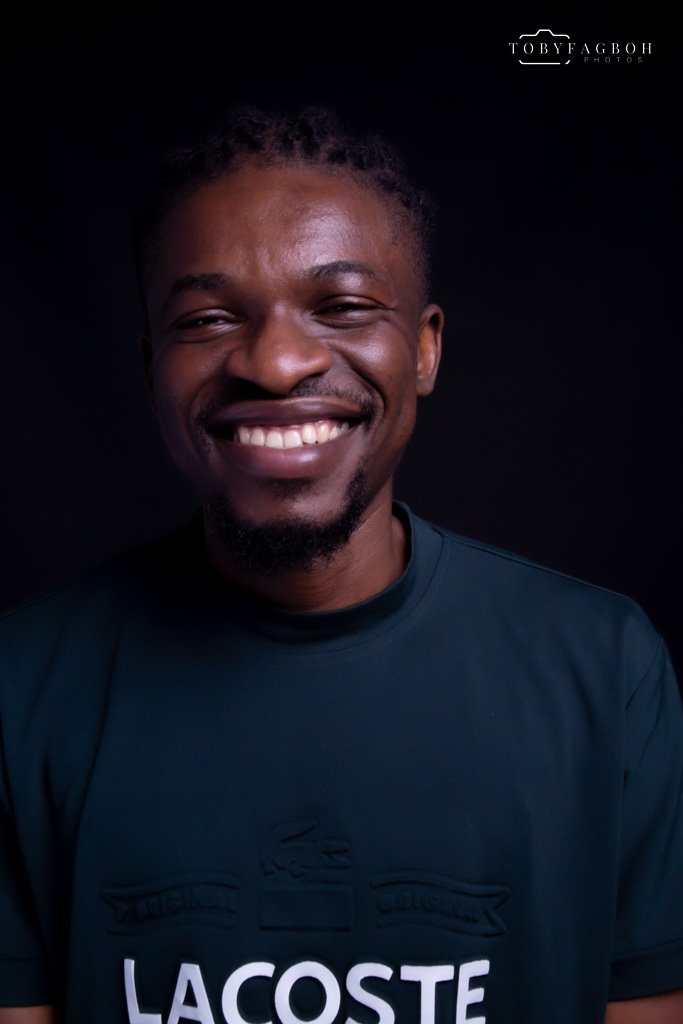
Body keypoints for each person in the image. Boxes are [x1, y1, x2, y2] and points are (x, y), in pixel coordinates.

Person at [0, 108, 681, 1024]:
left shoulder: (603, 667)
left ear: (424, 348)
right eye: (207, 318)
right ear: (152, 366)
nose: (277, 363)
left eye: (343, 307)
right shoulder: (24, 683)